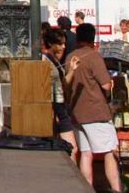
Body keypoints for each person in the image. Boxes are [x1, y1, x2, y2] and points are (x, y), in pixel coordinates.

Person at [66, 23, 121, 192]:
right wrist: (112, 83)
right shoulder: (93, 56)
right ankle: (116, 189)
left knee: (86, 153)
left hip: (77, 112)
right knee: (109, 152)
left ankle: (87, 189)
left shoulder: (70, 57)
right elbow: (105, 85)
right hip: (96, 112)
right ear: (93, 38)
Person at [43, 28, 79, 163]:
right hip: (55, 108)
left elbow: (63, 84)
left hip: (60, 107)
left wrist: (72, 69)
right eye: (60, 44)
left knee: (71, 148)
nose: (63, 47)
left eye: (64, 43)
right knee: (71, 149)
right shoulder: (45, 60)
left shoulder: (55, 61)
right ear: (50, 44)